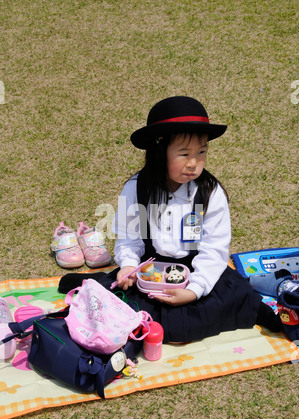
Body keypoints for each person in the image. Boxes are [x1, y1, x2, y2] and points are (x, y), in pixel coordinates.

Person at [59, 96, 282, 343]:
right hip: (149, 272)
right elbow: (129, 239)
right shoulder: (137, 188)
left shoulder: (210, 192)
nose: (194, 163)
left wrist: (194, 290)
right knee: (118, 306)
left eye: (202, 152)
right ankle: (93, 283)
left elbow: (214, 249)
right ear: (159, 151)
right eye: (184, 153)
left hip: (196, 267)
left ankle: (250, 307)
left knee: (234, 297)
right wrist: (129, 266)